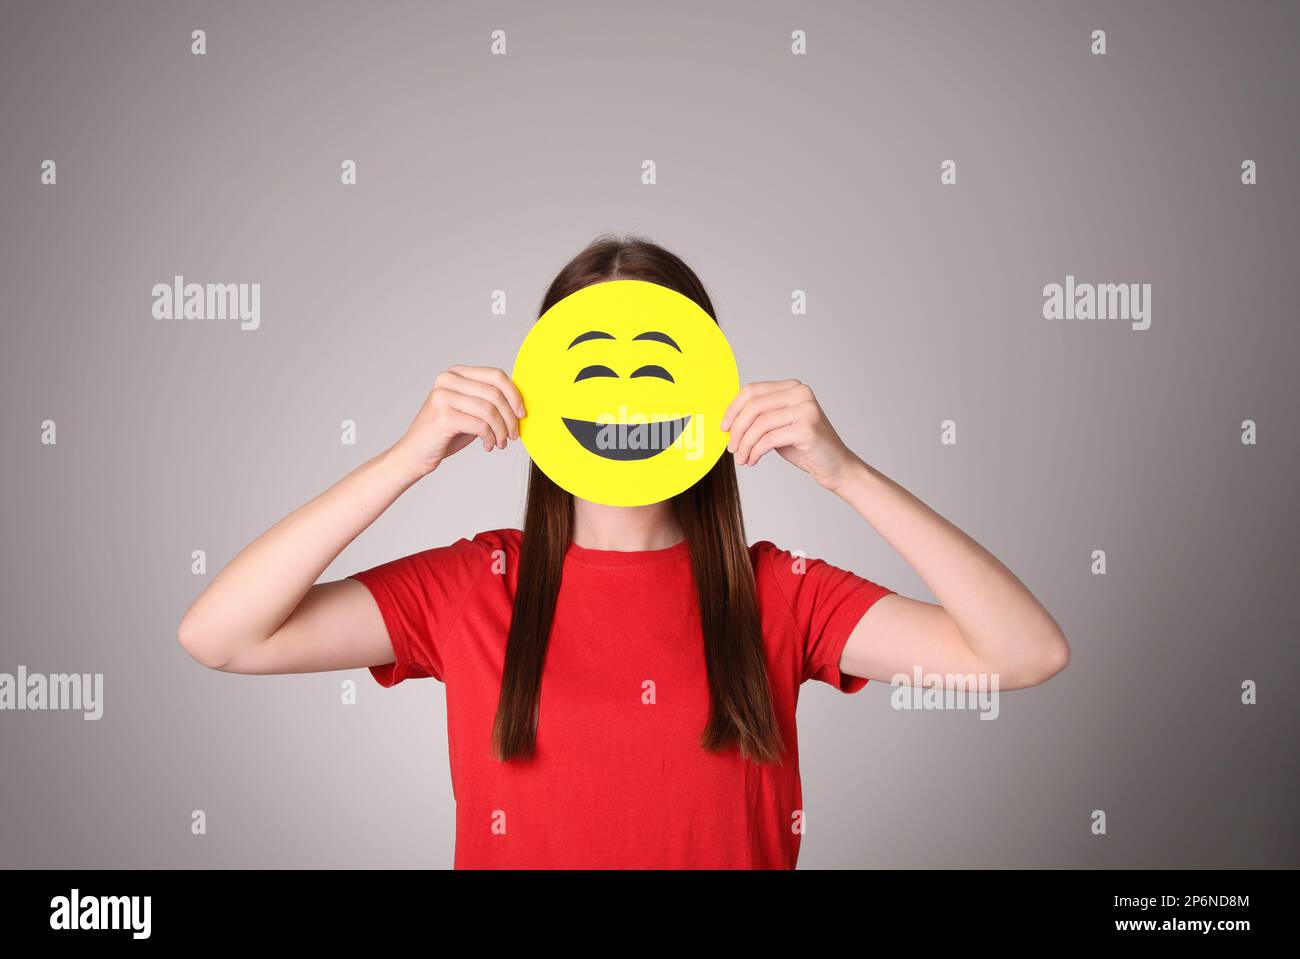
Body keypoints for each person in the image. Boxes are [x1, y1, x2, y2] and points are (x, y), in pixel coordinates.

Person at [178, 234, 1069, 869]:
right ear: (544, 385)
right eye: (592, 369)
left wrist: (849, 474)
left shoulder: (780, 594)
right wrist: (405, 460)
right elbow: (222, 635)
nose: (625, 399)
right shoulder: (471, 584)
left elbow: (1024, 652)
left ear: (704, 384)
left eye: (657, 370)